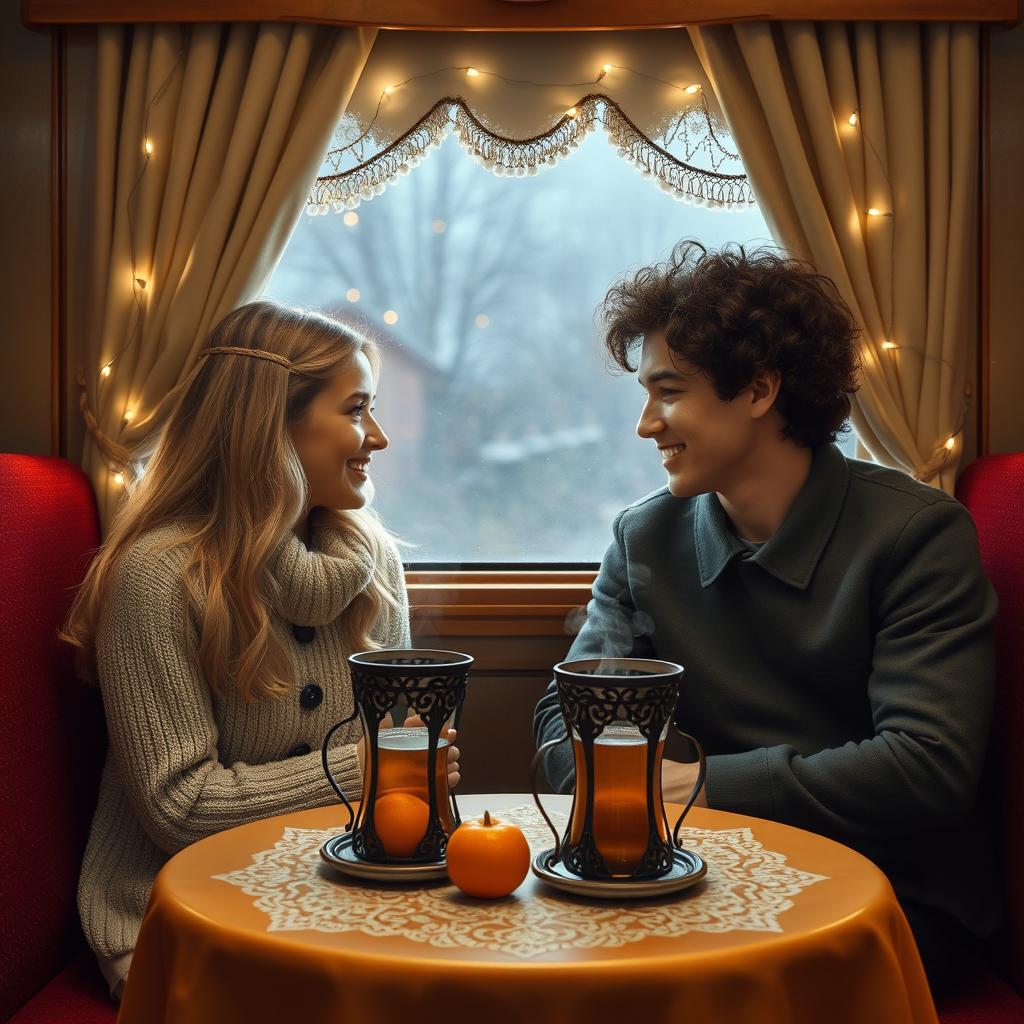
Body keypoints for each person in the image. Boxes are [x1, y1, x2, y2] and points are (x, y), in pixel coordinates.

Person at [533, 240, 999, 987]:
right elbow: (564, 720)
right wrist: (627, 785)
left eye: (670, 391)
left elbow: (927, 764)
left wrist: (707, 786)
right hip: (694, 874)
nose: (646, 425)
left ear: (759, 389)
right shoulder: (642, 535)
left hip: (886, 898)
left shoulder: (917, 533)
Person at [63, 301, 459, 998]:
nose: (380, 438)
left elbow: (402, 780)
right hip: (178, 920)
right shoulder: (158, 577)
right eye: (357, 409)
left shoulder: (373, 567)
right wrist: (366, 767)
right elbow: (178, 806)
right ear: (271, 425)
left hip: (339, 893)